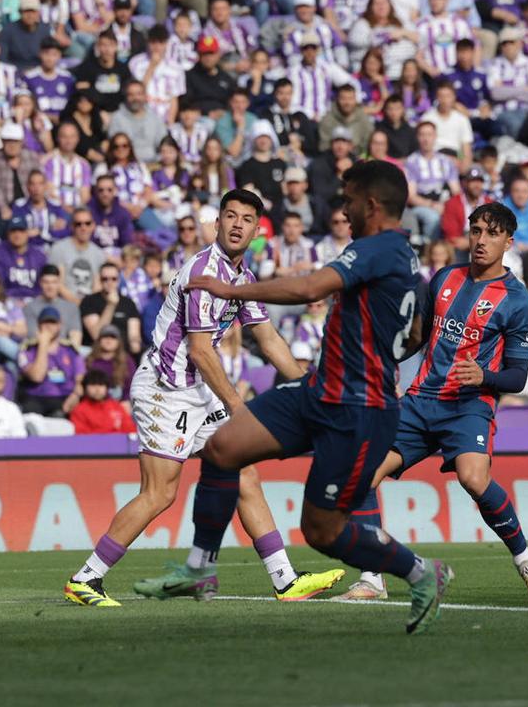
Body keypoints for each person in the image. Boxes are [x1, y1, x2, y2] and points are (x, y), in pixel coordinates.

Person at [172, 161, 453, 634]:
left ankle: (422, 571)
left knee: (322, 531)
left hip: (358, 408)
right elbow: (417, 333)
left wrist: (230, 288)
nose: (341, 210)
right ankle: (199, 569)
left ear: (372, 204)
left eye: (348, 201)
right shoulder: (403, 258)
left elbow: (308, 287)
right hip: (319, 387)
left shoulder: (379, 247)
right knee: (223, 447)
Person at [67, 190, 345, 608]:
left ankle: (285, 579)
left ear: (256, 230)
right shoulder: (203, 273)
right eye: (229, 216)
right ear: (216, 223)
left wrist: (313, 388)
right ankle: (85, 579)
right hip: (166, 388)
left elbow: (268, 340)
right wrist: (239, 407)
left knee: (244, 474)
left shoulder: (242, 278)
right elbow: (199, 350)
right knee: (160, 493)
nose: (237, 224)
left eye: (246, 218)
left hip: (197, 388)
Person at [338, 202, 528, 601]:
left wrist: (485, 376)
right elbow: (418, 335)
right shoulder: (444, 278)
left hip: (469, 405)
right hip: (421, 401)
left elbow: (518, 377)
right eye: (475, 231)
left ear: (508, 241)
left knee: (473, 479)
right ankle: (372, 578)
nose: (481, 241)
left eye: (491, 233)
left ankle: (524, 558)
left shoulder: (518, 301)